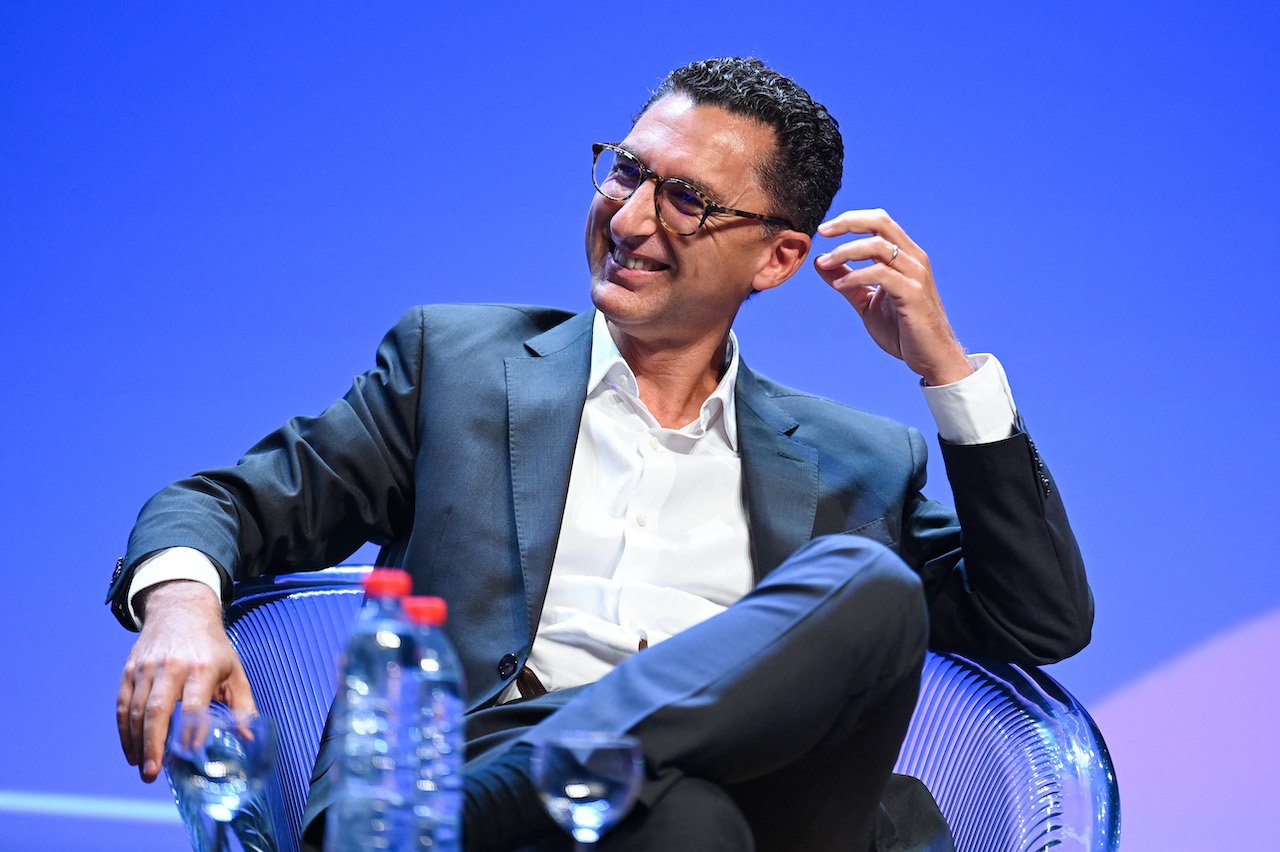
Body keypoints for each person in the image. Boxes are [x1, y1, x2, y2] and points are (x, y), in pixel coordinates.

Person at [109, 57, 1091, 851]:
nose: (626, 220)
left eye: (684, 200)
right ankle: (525, 786)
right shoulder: (457, 370)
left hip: (765, 814)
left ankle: (528, 785)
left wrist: (946, 371)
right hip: (494, 774)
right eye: (625, 172)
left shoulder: (857, 459)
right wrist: (181, 607)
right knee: (685, 825)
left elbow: (1034, 618)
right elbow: (227, 504)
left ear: (778, 257)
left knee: (866, 590)